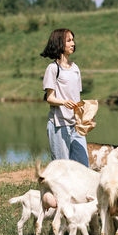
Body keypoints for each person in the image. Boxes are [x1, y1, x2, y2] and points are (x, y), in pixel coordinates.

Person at [41, 28, 89, 167]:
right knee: (62, 168)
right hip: (59, 125)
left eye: (73, 40)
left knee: (83, 167)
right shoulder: (53, 68)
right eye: (69, 40)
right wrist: (63, 102)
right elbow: (49, 98)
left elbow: (77, 98)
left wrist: (86, 114)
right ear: (59, 44)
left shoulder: (75, 68)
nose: (73, 43)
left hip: (76, 125)